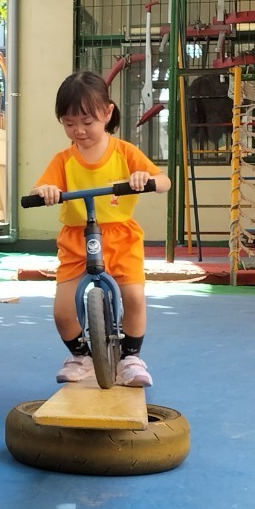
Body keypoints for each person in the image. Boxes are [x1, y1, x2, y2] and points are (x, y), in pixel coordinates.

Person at [31, 70, 172, 387]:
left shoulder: (124, 152)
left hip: (120, 237)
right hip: (76, 240)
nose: (79, 130)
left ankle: (130, 357)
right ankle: (81, 355)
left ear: (107, 113)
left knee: (134, 297)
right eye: (69, 123)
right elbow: (41, 187)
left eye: (87, 121)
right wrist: (45, 191)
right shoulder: (64, 160)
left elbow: (164, 181)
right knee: (62, 311)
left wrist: (144, 179)